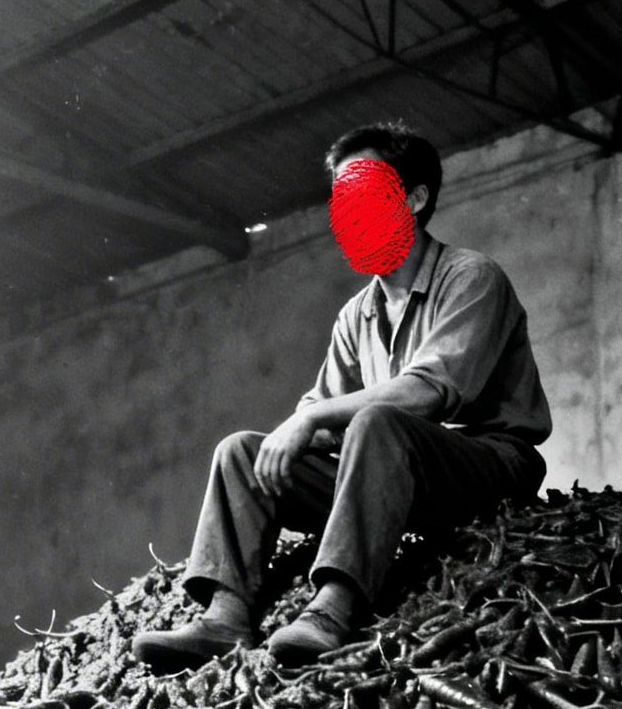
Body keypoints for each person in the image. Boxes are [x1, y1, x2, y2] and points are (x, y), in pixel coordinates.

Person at [132, 120, 552, 672]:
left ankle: (333, 607)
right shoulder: (358, 313)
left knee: (379, 422)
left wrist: (311, 422)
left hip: (487, 464)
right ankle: (226, 616)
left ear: (415, 198)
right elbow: (321, 409)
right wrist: (295, 432)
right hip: (388, 476)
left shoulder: (472, 277)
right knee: (241, 452)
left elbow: (430, 392)